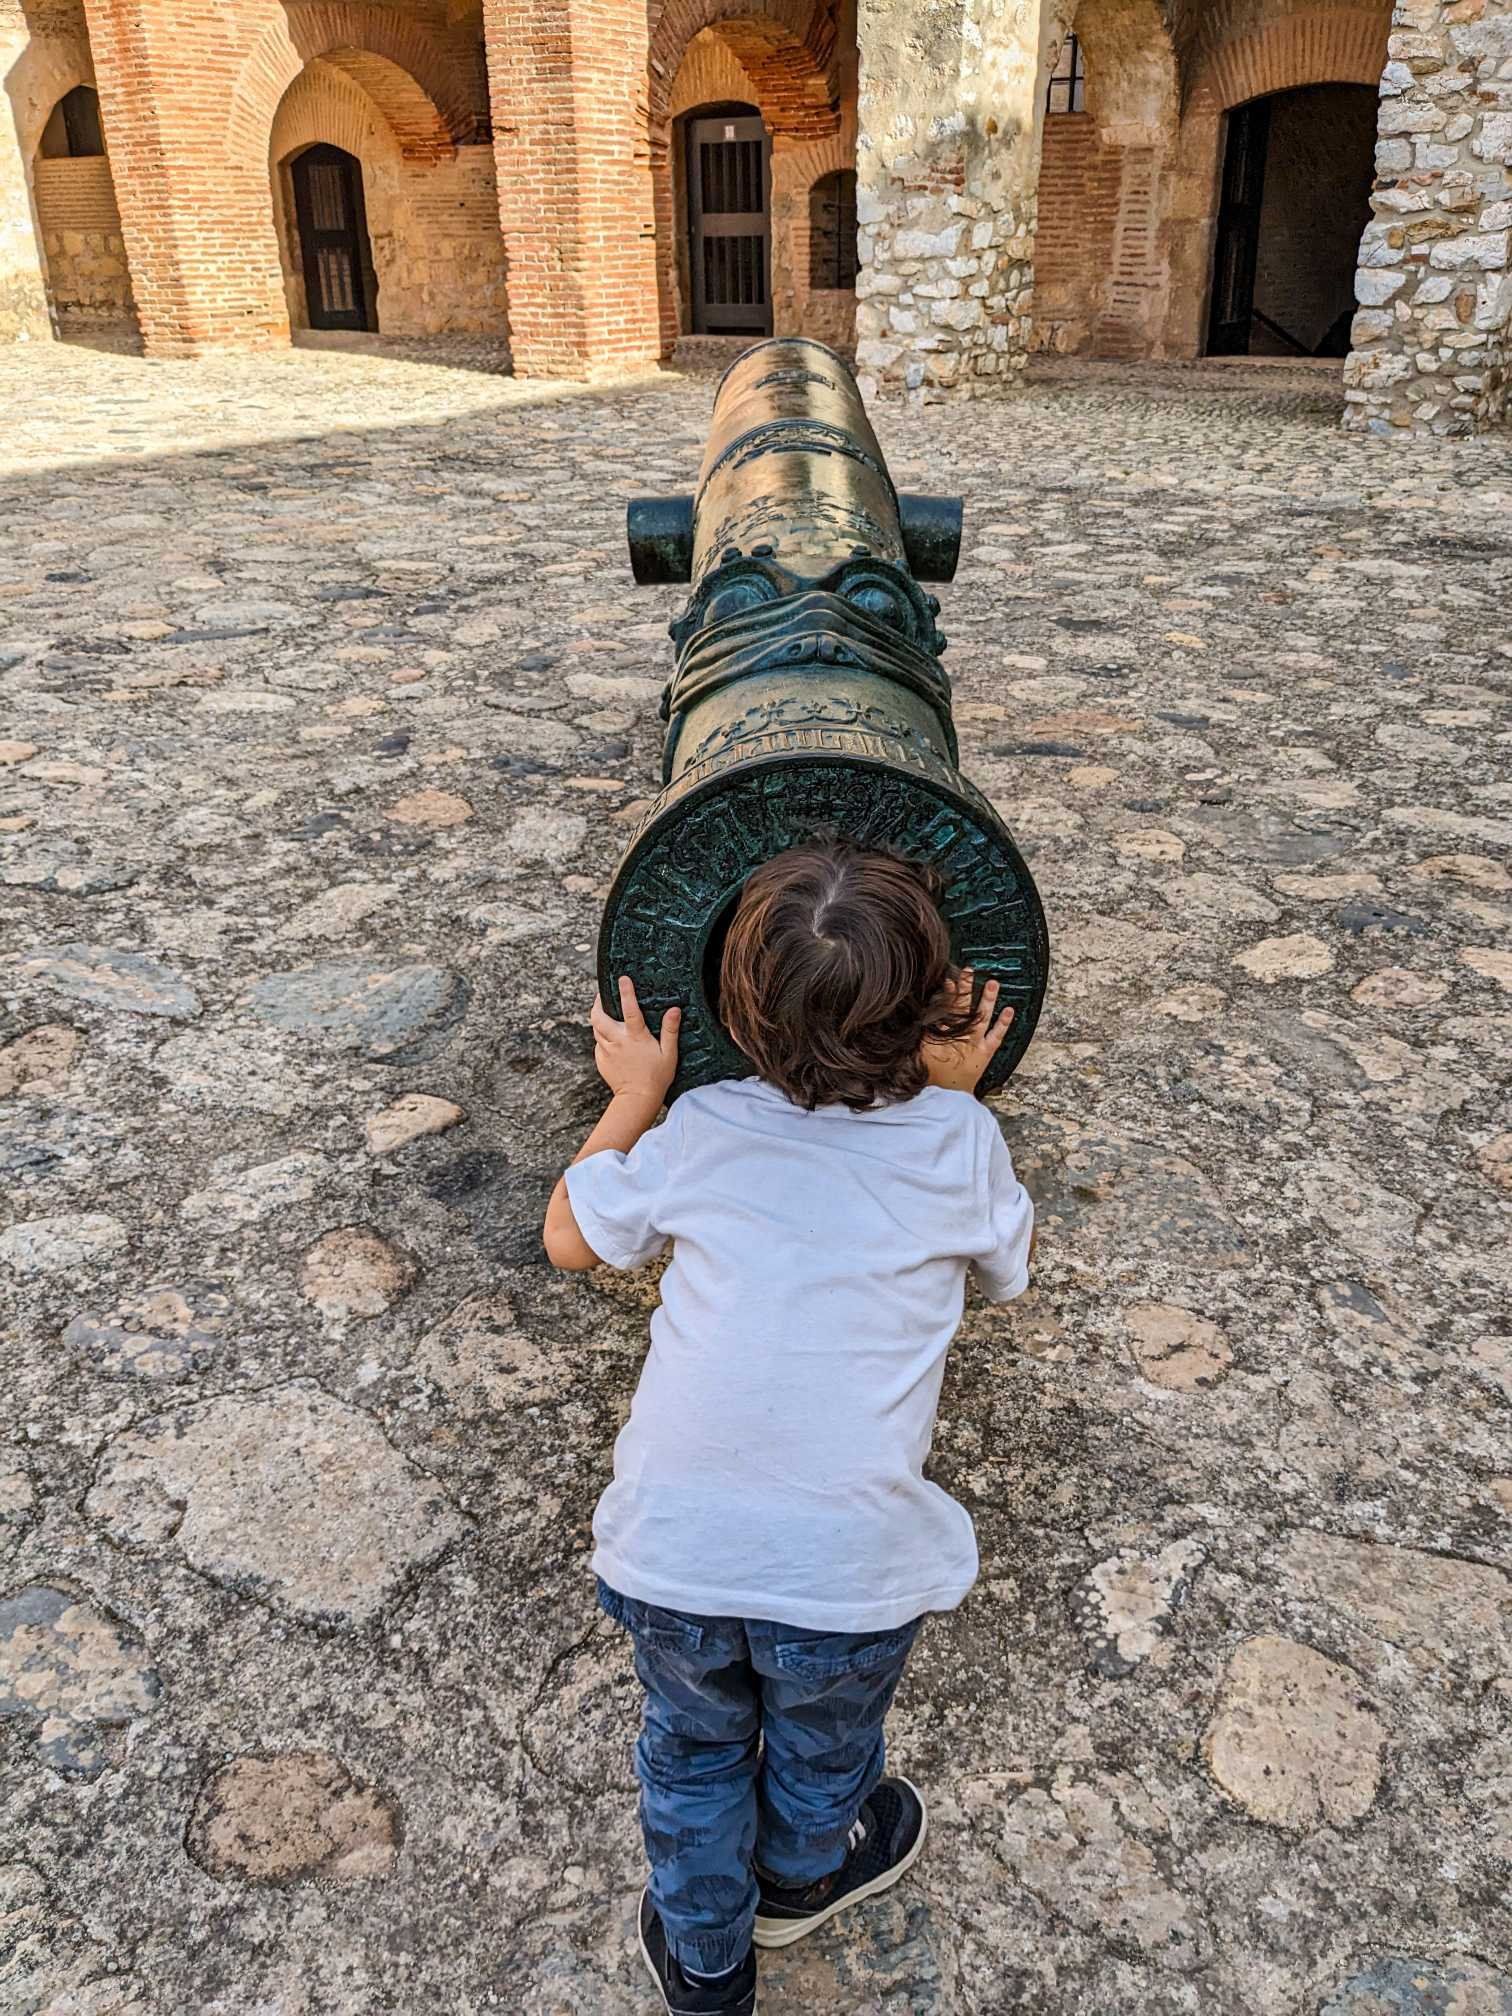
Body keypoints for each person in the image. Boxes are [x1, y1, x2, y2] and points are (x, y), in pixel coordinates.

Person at [543, 841, 1035, 2016]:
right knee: (823, 1753)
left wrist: (634, 1094)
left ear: (734, 1012)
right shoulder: (961, 1142)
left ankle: (709, 1964)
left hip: (676, 1553)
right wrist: (951, 1102)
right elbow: (1005, 1272)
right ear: (934, 1009)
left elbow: (569, 1237)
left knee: (694, 1753)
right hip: (849, 1571)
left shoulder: (703, 1125)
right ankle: (806, 1876)